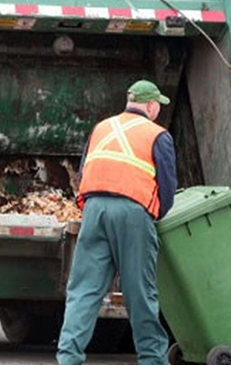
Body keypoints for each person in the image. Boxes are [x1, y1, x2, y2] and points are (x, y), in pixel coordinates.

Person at [56, 80, 178, 365]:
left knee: (84, 290)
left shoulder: (102, 128)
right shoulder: (157, 135)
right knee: (140, 292)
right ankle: (152, 360)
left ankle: (68, 358)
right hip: (133, 214)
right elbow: (168, 186)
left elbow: (84, 168)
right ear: (150, 106)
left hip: (95, 210)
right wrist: (155, 215)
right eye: (158, 104)